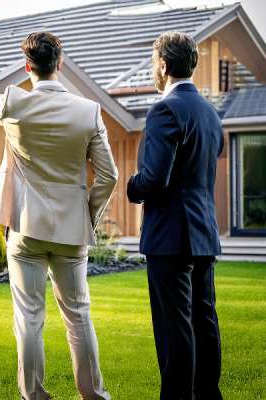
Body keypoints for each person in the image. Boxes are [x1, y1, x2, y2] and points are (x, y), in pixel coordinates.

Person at [0, 32, 117, 400]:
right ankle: (93, 396)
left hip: (25, 231)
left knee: (28, 319)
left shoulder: (14, 105)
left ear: (28, 67)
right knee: (78, 315)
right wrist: (86, 216)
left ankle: (35, 397)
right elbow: (109, 176)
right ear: (60, 64)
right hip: (72, 232)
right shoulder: (88, 111)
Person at [127, 31, 224, 400]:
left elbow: (153, 179)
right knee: (204, 321)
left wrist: (130, 186)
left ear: (163, 65)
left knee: (175, 330)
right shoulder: (210, 113)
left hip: (170, 238)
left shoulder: (164, 110)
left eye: (155, 63)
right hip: (203, 233)